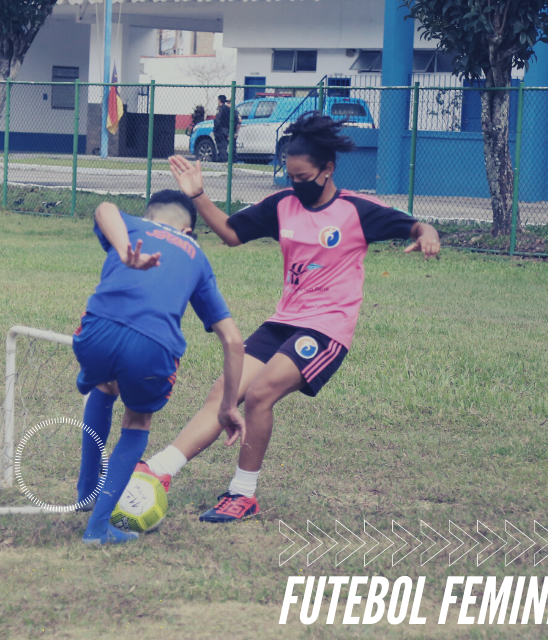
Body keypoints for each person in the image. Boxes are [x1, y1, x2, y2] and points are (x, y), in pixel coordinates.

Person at [148, 112, 441, 522]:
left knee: (262, 392)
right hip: (284, 320)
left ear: (328, 169)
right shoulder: (283, 205)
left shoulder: (356, 210)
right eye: (291, 177)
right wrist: (197, 194)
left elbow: (415, 225)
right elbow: (231, 234)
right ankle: (158, 469)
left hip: (328, 328)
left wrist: (427, 235)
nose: (296, 185)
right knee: (224, 391)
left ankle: (242, 493)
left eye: (304, 178)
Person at [75, 190, 245, 545]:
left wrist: (123, 251)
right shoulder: (196, 255)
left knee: (104, 386)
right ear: (187, 231)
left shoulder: (131, 226)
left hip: (94, 332)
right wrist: (228, 405)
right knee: (137, 421)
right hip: (153, 349)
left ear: (148, 216)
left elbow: (104, 208)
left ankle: (85, 494)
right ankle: (97, 528)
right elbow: (232, 341)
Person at [213, 95, 239, 163]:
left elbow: (217, 120)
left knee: (221, 146)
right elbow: (235, 121)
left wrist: (215, 129)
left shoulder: (220, 109)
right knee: (229, 146)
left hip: (221, 130)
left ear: (219, 100)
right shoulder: (230, 110)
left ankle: (223, 159)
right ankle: (232, 159)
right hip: (228, 129)